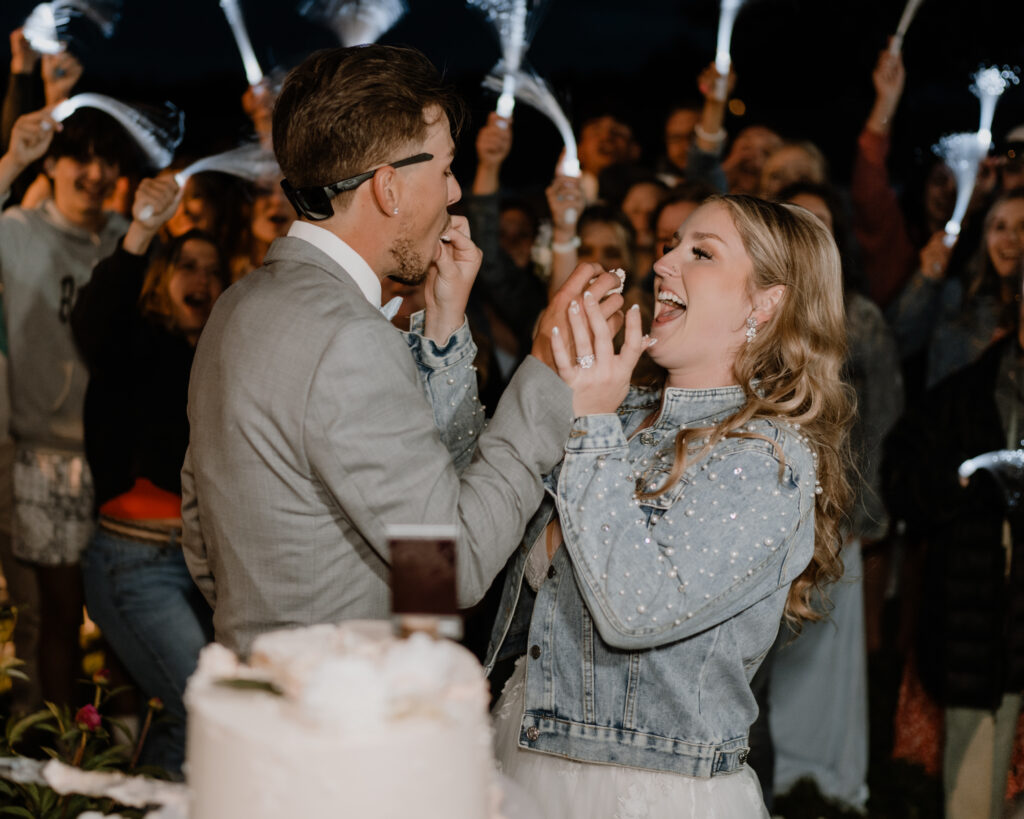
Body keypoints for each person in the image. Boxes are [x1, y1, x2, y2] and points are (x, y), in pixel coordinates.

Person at [181, 44, 623, 657]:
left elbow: (203, 541)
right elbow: (451, 568)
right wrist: (546, 372)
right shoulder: (348, 337)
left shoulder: (238, 305)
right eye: (444, 170)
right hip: (347, 716)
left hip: (255, 695)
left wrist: (443, 328)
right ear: (388, 188)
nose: (455, 190)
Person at [487, 194, 853, 818]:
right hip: (522, 749)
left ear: (765, 303)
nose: (663, 264)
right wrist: (442, 330)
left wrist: (591, 424)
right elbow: (467, 515)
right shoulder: (619, 411)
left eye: (700, 253)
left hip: (643, 789)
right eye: (671, 245)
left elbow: (636, 612)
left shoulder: (768, 459)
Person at [71, 176, 225, 775]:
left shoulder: (223, 355)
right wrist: (140, 230)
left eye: (213, 270)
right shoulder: (135, 343)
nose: (201, 279)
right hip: (133, 565)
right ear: (163, 276)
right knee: (200, 707)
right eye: (186, 265)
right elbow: (94, 319)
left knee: (195, 716)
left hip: (201, 568)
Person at [0, 104, 134, 707]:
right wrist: (12, 160)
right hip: (45, 451)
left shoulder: (124, 238)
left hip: (117, 456)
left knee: (123, 611)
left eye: (109, 160)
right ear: (53, 164)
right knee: (56, 614)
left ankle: (120, 748)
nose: (96, 173)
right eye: (81, 157)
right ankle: (53, 757)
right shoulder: (21, 231)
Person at [888, 187, 1024, 390]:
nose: (1010, 239)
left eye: (1022, 227)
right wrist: (926, 280)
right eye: (999, 227)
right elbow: (892, 343)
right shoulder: (958, 297)